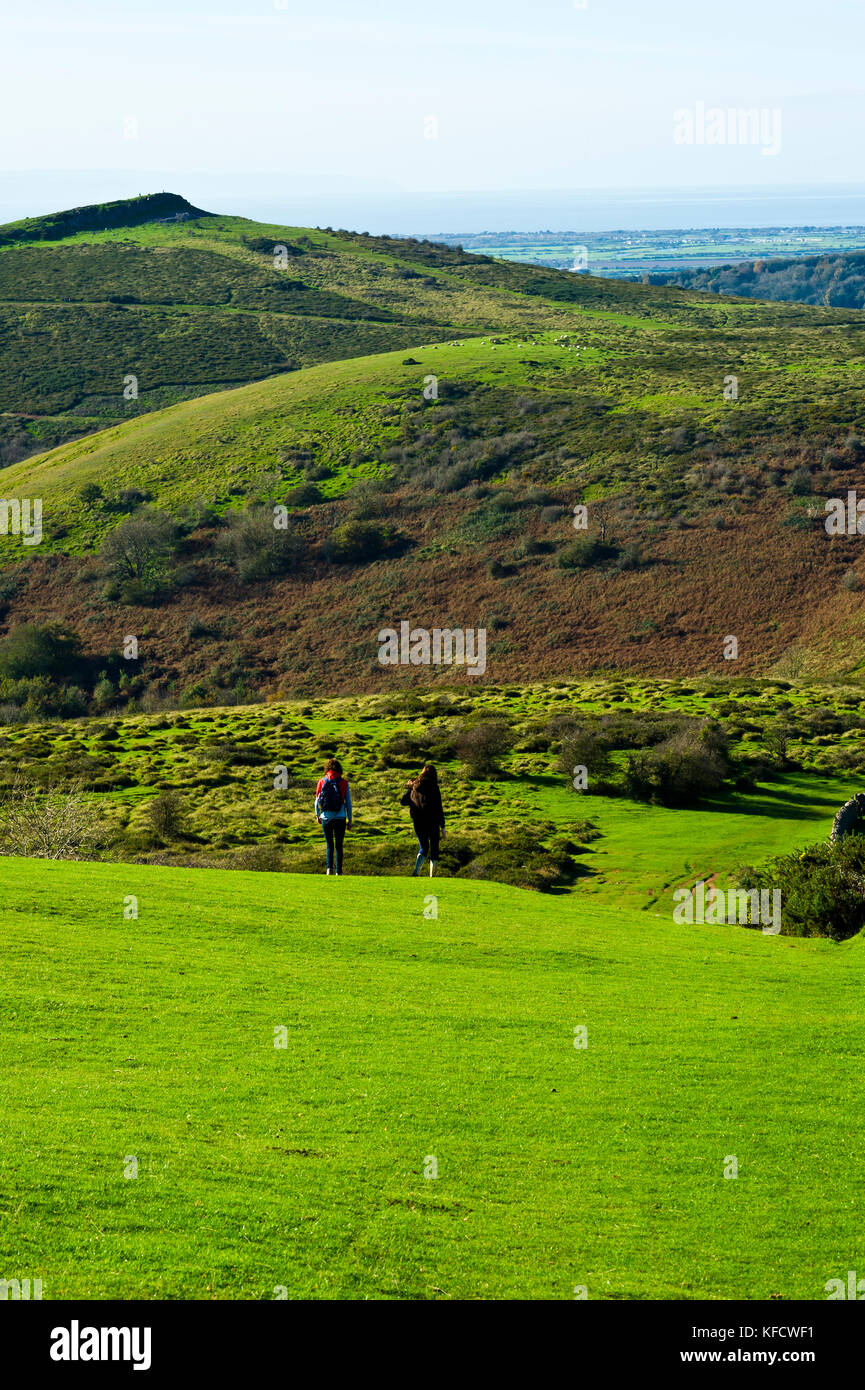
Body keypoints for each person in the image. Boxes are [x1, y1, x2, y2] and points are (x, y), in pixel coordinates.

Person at [400, 764, 446, 878]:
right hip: (433, 821)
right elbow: (438, 807)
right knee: (434, 847)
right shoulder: (434, 787)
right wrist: (443, 826)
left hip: (418, 821)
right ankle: (432, 875)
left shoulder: (414, 786)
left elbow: (403, 801)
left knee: (424, 847)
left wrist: (410, 789)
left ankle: (416, 871)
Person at [315, 758, 352, 875]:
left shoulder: (321, 781)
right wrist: (349, 819)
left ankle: (329, 869)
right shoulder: (344, 783)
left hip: (326, 818)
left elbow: (317, 802)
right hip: (340, 818)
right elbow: (348, 803)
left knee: (329, 845)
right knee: (339, 846)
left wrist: (317, 815)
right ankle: (339, 871)